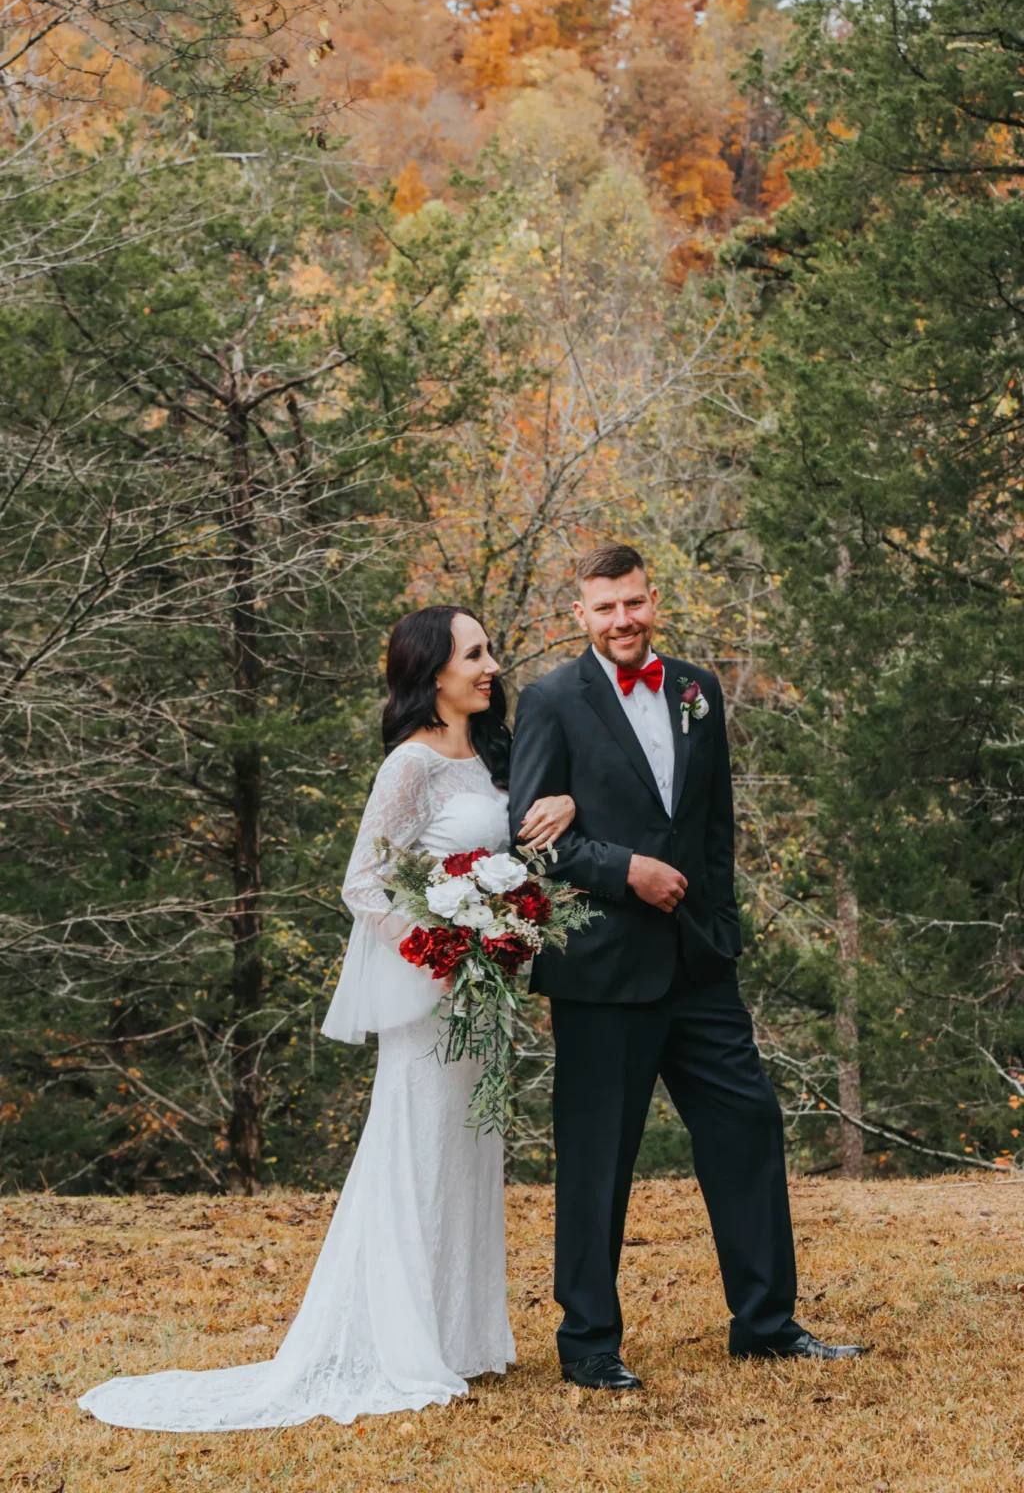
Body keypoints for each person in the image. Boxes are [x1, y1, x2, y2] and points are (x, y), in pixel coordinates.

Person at [78, 605, 574, 1430]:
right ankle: (398, 1341)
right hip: (433, 997)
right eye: (475, 654)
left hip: (483, 996)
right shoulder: (408, 768)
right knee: (414, 1150)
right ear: (433, 673)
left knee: (468, 1151)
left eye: (489, 651)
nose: (492, 665)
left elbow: (513, 850)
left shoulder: (495, 753)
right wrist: (442, 953)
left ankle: (457, 1335)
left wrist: (509, 918)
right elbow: (364, 884)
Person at [508, 543, 865, 1391]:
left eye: (633, 603)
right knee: (599, 1161)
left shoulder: (697, 689)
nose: (623, 621)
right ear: (579, 616)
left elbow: (715, 829)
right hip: (601, 974)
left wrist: (723, 931)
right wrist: (621, 867)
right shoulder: (551, 700)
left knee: (748, 1130)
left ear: (652, 600)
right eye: (605, 608)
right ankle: (589, 1346)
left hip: (701, 967)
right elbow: (529, 838)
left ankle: (767, 1324)